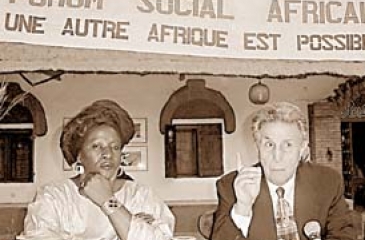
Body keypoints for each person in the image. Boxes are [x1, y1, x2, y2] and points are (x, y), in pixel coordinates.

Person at [19, 99, 175, 240]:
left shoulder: (141, 196)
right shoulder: (54, 196)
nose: (107, 154)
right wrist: (130, 226)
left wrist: (108, 201)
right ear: (79, 155)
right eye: (96, 146)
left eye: (115, 147)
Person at [211, 102, 356, 240]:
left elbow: (343, 235)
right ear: (257, 146)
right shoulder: (232, 186)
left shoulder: (327, 181)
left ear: (302, 147)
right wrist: (242, 208)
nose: (277, 157)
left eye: (287, 145)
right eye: (269, 144)